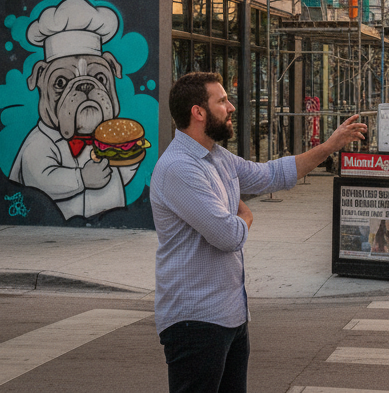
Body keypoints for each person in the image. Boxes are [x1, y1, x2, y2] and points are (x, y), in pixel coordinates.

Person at [150, 71, 367, 393]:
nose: (231, 107)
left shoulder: (217, 157)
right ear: (198, 112)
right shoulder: (179, 168)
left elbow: (271, 174)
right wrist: (246, 214)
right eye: (222, 101)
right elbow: (228, 236)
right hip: (194, 320)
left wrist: (330, 146)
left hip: (230, 313)